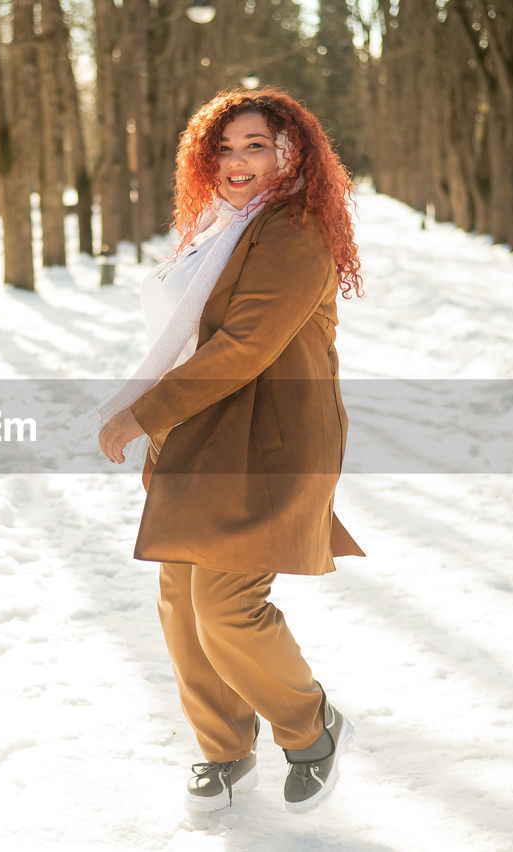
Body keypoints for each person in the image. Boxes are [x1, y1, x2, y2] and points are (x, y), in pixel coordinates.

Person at [96, 87, 366, 814]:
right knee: (181, 602)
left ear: (292, 153)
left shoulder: (294, 231)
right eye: (225, 147)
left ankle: (312, 726)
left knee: (225, 604)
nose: (238, 161)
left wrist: (138, 414)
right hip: (208, 431)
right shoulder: (226, 225)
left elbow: (244, 346)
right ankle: (223, 747)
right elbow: (190, 334)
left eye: (257, 146)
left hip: (271, 440)